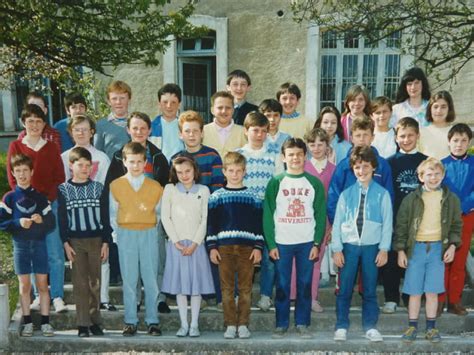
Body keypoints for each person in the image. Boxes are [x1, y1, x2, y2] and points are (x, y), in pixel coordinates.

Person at [105, 112, 170, 313]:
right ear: (128, 130)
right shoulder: (118, 157)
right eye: (135, 128)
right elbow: (112, 191)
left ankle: (158, 298)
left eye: (143, 128)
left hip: (152, 220)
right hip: (128, 222)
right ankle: (137, 300)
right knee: (132, 267)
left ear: (149, 130)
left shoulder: (158, 156)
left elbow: (164, 188)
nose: (139, 132)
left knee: (156, 261)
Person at [394, 157, 462, 343]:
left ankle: (431, 328)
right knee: (414, 291)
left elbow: (457, 225)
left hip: (438, 250)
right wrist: (400, 250)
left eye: (437, 174)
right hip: (415, 249)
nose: (433, 178)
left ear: (443, 175)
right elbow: (401, 225)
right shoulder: (411, 199)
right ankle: (412, 326)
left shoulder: (451, 199)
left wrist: (453, 246)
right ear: (421, 177)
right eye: (429, 174)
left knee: (432, 291)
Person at [7, 104, 67, 313]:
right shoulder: (16, 146)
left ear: (44, 125)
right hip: (24, 207)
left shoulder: (50, 147)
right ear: (24, 123)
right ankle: (35, 295)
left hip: (49, 205)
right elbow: (13, 178)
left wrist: (45, 202)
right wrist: (25, 203)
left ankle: (57, 295)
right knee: (31, 250)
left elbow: (59, 177)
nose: (34, 125)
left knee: (54, 252)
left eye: (39, 121)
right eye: (30, 121)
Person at [264, 138, 326, 339]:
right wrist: (271, 243)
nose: (295, 158)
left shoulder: (314, 182)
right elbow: (267, 214)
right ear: (283, 157)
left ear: (305, 156)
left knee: (304, 284)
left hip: (306, 242)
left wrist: (317, 243)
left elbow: (320, 214)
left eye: (299, 154)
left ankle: (302, 322)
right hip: (282, 242)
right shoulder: (276, 182)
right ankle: (281, 323)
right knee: (282, 285)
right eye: (291, 154)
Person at [331, 146, 392, 342]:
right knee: (345, 288)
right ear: (352, 169)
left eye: (366, 166)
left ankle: (370, 326)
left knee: (370, 288)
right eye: (357, 167)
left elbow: (387, 223)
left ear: (374, 167)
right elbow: (338, 223)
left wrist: (384, 249)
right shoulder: (346, 194)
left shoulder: (382, 194)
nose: (361, 171)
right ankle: (341, 325)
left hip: (371, 247)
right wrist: (336, 249)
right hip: (348, 247)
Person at [60, 115, 115, 312]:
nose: (81, 133)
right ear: (71, 132)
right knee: (81, 270)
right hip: (75, 219)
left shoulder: (101, 157)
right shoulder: (64, 157)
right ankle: (84, 309)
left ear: (92, 132)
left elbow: (105, 188)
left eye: (85, 129)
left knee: (102, 260)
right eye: (77, 129)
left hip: (96, 214)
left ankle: (103, 298)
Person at [206, 152, 264, 339]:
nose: (235, 174)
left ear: (245, 172)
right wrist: (212, 247)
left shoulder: (253, 196)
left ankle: (243, 324)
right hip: (224, 248)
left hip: (247, 249)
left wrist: (258, 247)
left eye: (239, 171)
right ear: (224, 172)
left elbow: (258, 224)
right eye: (231, 170)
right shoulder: (217, 196)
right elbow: (211, 224)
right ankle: (230, 324)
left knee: (246, 289)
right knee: (227, 289)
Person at [109, 142, 163, 337]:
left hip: (148, 233)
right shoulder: (116, 185)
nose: (135, 165)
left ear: (145, 162)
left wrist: (149, 228)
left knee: (150, 279)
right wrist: (118, 236)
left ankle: (152, 320)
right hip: (126, 234)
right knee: (130, 279)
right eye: (131, 162)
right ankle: (130, 320)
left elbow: (158, 213)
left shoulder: (155, 186)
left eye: (139, 161)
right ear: (124, 162)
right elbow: (112, 214)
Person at [58, 147, 111, 337]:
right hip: (75, 241)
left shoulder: (98, 188)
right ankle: (82, 324)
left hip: (96, 240)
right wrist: (65, 243)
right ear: (71, 166)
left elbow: (105, 216)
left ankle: (95, 320)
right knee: (80, 283)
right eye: (80, 165)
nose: (84, 169)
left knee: (95, 282)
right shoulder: (64, 189)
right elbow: (62, 219)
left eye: (88, 165)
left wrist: (106, 241)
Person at [0, 154, 55, 337]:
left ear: (32, 172)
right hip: (20, 247)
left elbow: (51, 223)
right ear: (13, 174)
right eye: (18, 171)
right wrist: (17, 223)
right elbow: (2, 223)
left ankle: (46, 322)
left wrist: (41, 220)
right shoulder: (9, 198)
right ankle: (28, 322)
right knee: (24, 286)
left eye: (25, 170)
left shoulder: (40, 198)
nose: (22, 174)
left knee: (42, 285)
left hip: (39, 245)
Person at [161, 155, 214, 337]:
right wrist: (175, 241)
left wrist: (195, 242)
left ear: (195, 171)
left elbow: (205, 219)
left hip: (196, 245)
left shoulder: (204, 190)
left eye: (188, 171)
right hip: (176, 245)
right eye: (180, 172)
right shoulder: (170, 189)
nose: (184, 175)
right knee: (181, 286)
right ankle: (183, 324)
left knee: (196, 286)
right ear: (175, 173)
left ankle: (194, 324)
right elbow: (165, 217)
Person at [236, 112, 283, 312]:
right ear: (246, 131)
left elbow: (279, 184)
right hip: (244, 210)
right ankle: (240, 294)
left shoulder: (274, 154)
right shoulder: (239, 155)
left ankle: (265, 295)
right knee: (242, 255)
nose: (260, 135)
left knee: (268, 256)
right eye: (255, 130)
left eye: (264, 131)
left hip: (267, 212)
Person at [381, 117, 428, 314]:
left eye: (410, 135)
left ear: (417, 136)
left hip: (419, 220)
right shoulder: (389, 163)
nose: (406, 139)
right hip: (394, 218)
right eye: (402, 136)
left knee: (414, 260)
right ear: (395, 137)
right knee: (392, 258)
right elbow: (385, 192)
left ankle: (410, 296)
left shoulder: (425, 161)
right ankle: (391, 298)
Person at [289, 128, 336, 312]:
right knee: (295, 261)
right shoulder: (302, 167)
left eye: (320, 144)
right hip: (300, 219)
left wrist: (331, 225)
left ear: (327, 146)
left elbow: (334, 199)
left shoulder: (334, 169)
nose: (316, 148)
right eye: (312, 144)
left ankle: (312, 298)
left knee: (315, 260)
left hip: (323, 221)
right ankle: (295, 297)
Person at [327, 117, 393, 225]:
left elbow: (389, 196)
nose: (362, 139)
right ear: (352, 138)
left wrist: (385, 223)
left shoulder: (382, 165)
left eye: (366, 135)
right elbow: (334, 196)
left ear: (372, 137)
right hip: (348, 225)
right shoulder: (343, 166)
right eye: (358, 135)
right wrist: (337, 224)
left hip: (375, 225)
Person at [438, 123, 474, 316]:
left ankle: (454, 301)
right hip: (445, 218)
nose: (459, 144)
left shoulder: (473, 163)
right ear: (449, 142)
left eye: (464, 140)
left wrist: (466, 204)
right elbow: (437, 187)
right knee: (443, 258)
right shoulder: (442, 164)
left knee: (459, 260)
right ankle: (439, 300)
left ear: (469, 142)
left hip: (467, 216)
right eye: (455, 140)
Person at [174, 110, 224, 193]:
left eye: (195, 131)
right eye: (187, 131)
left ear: (202, 133)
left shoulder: (212, 156)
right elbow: (174, 188)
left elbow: (218, 186)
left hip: (207, 203)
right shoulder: (175, 160)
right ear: (180, 135)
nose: (191, 134)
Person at [94, 80, 132, 159]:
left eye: (122, 98)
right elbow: (97, 153)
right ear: (109, 101)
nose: (118, 102)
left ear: (129, 99)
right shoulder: (101, 125)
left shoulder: (137, 123)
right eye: (114, 99)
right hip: (111, 169)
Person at [202, 91, 246, 158]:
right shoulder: (202, 131)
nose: (224, 111)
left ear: (233, 110)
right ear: (212, 110)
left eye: (228, 108)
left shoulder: (243, 132)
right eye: (220, 108)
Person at [149, 83, 185, 162]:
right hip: (157, 171)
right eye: (165, 102)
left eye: (173, 102)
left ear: (179, 104)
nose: (169, 106)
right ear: (159, 104)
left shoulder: (184, 127)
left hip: (180, 170)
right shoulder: (150, 128)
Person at [419, 91, 456, 160]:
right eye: (435, 107)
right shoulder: (421, 132)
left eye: (443, 107)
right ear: (430, 109)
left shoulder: (455, 132)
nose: (439, 111)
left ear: (449, 109)